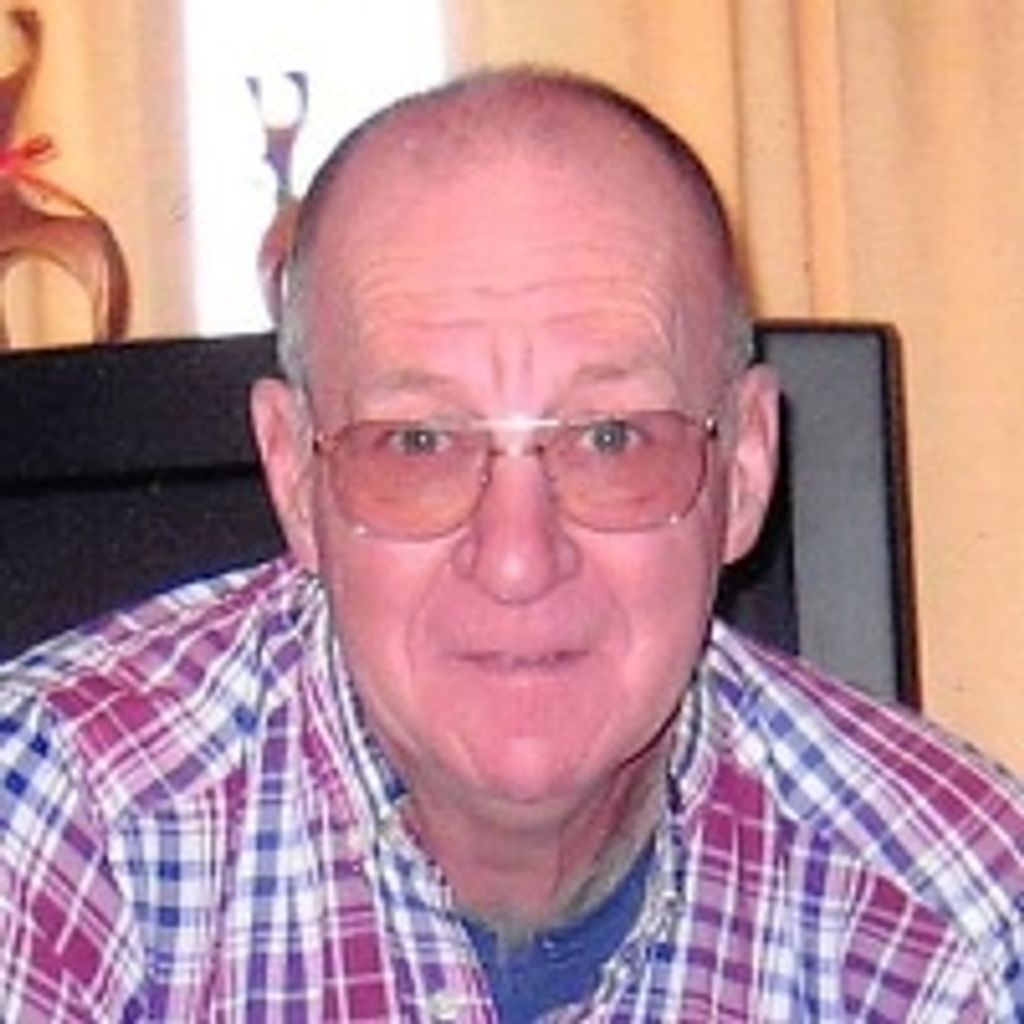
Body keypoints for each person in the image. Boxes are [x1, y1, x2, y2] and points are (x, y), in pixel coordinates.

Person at [1, 68, 1021, 1023]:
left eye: (610, 438)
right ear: (297, 478)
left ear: (744, 468)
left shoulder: (958, 922)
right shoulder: (55, 831)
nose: (518, 559)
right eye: (420, 443)